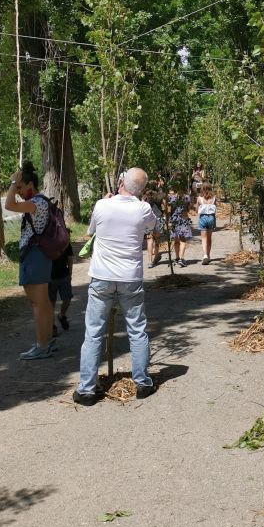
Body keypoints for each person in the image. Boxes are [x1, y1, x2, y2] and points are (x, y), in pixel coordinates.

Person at [73, 167, 158, 406]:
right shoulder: (143, 208)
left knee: (93, 332)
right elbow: (152, 227)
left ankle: (87, 389)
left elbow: (91, 231)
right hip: (130, 277)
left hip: (102, 276)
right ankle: (142, 382)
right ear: (141, 190)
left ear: (121, 181)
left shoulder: (102, 205)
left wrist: (107, 202)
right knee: (137, 329)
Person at [5, 161, 56, 360]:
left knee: (38, 302)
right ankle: (46, 342)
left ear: (30, 186)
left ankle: (42, 345)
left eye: (19, 187)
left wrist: (11, 183)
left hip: (35, 255)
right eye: (16, 188)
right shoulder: (39, 201)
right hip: (36, 255)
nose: (17, 191)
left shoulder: (37, 202)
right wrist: (15, 183)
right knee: (41, 302)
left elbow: (9, 205)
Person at [49, 232, 74, 337]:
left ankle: (62, 315)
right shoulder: (47, 243)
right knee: (51, 303)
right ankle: (52, 326)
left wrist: (70, 274)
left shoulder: (66, 244)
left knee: (67, 299)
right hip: (49, 277)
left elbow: (70, 259)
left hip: (64, 275)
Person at [166, 185, 192, 267]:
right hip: (184, 219)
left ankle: (177, 257)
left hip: (174, 220)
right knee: (183, 239)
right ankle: (181, 258)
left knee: (176, 239)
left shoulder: (172, 198)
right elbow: (188, 209)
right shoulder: (187, 197)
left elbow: (168, 209)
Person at [196, 183, 217, 265]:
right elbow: (216, 208)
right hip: (211, 218)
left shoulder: (199, 198)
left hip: (203, 218)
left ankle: (205, 255)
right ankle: (208, 255)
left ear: (202, 189)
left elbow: (196, 209)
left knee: (203, 238)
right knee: (209, 238)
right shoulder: (214, 198)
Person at [143, 189, 163, 269]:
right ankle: (156, 258)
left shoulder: (144, 200)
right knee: (157, 239)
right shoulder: (158, 197)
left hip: (148, 220)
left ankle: (150, 261)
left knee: (149, 240)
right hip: (158, 219)